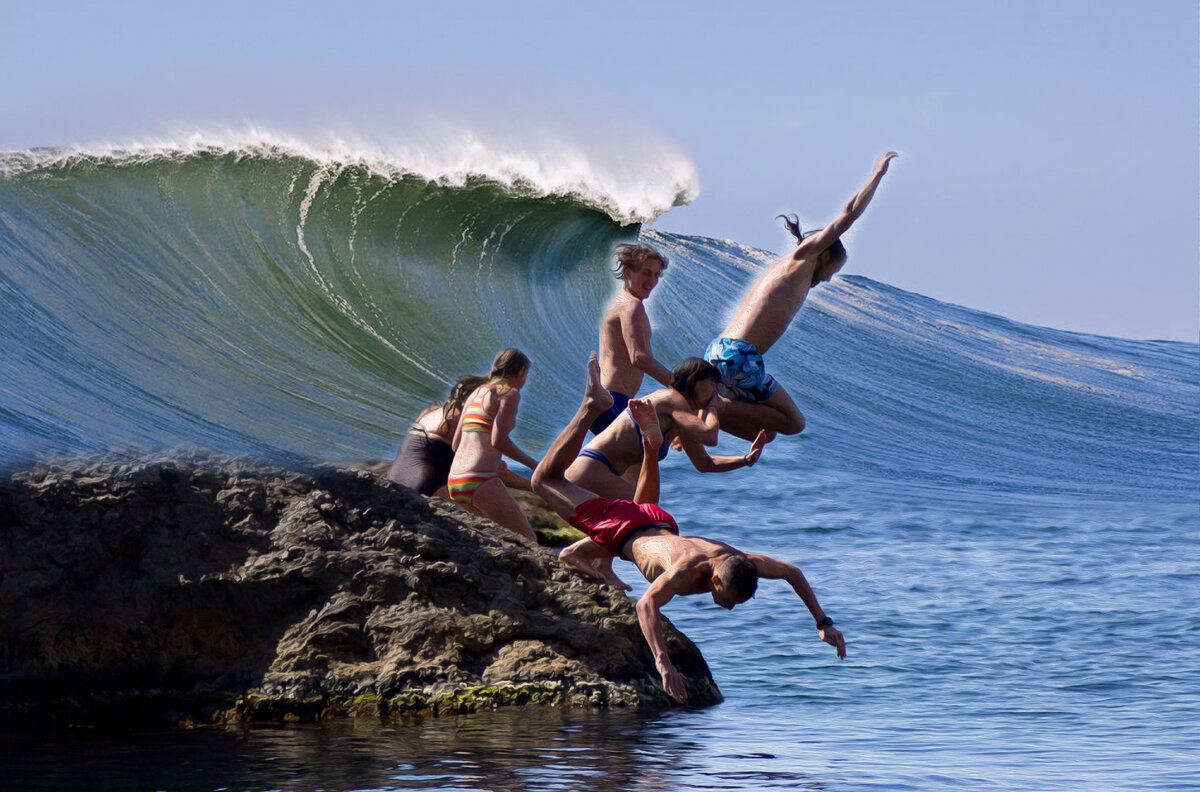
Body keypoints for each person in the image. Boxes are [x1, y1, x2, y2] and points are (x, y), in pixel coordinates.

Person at [531, 354, 846, 703]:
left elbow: (790, 571)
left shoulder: (736, 560)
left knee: (639, 518)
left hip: (655, 518)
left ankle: (647, 454)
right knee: (542, 480)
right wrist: (663, 663)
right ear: (715, 579)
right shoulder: (684, 573)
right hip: (625, 522)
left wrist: (823, 622)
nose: (727, 609)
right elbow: (645, 605)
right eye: (727, 599)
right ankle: (592, 408)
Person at [706, 151, 898, 440]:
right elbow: (848, 215)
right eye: (833, 269)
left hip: (720, 353)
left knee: (766, 433)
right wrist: (877, 176)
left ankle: (697, 421)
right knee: (794, 423)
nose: (831, 278)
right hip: (740, 358)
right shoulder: (803, 258)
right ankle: (712, 406)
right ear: (823, 256)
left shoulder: (788, 270)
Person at [568, 357, 768, 500]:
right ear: (696, 383)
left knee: (640, 524)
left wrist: (745, 460)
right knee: (647, 517)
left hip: (599, 471)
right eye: (713, 385)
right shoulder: (672, 400)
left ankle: (581, 556)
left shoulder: (681, 417)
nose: (716, 391)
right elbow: (710, 436)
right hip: (592, 468)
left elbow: (705, 463)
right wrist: (714, 408)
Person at [448, 348, 540, 541]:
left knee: (491, 543)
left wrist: (493, 462)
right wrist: (533, 464)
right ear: (520, 372)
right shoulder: (509, 392)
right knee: (529, 542)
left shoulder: (475, 394)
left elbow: (456, 444)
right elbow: (499, 441)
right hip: (479, 479)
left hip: (455, 481)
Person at [590, 244, 674, 435]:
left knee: (634, 462)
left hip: (608, 402)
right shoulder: (631, 306)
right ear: (628, 272)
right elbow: (639, 357)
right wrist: (678, 383)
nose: (652, 281)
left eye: (656, 275)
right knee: (653, 451)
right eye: (646, 273)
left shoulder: (622, 302)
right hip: (613, 403)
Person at [387, 374, 485, 498]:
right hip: (427, 485)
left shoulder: (431, 411)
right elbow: (489, 469)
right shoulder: (459, 422)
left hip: (394, 477)